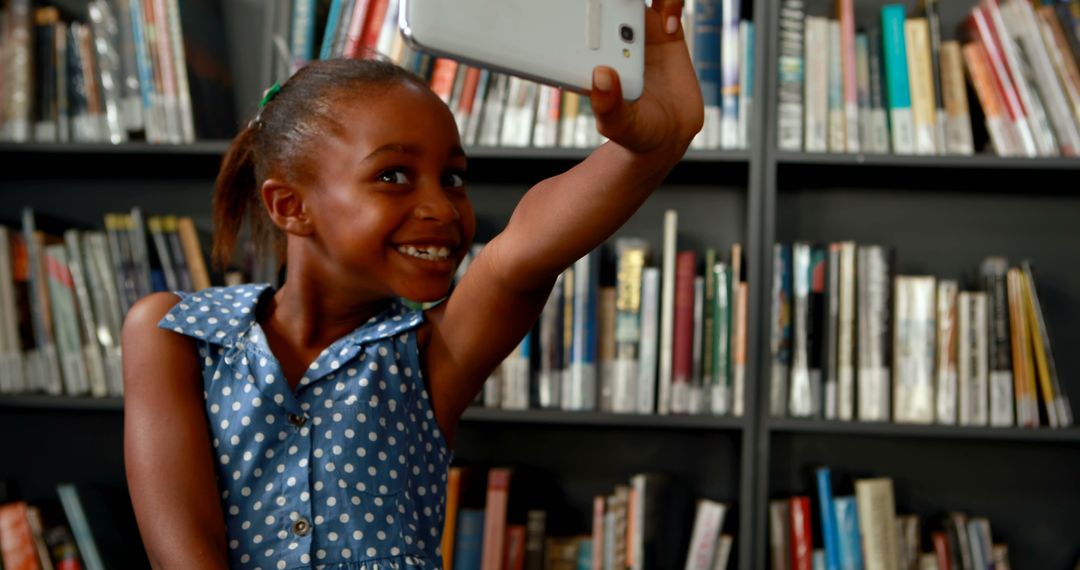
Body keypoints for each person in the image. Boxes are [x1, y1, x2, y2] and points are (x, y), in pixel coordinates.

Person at [121, 1, 703, 567]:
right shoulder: (176, 335)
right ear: (290, 206)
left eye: (453, 178)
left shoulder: (430, 356)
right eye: (393, 175)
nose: (443, 209)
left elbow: (526, 249)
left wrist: (650, 150)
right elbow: (185, 552)